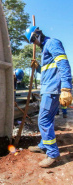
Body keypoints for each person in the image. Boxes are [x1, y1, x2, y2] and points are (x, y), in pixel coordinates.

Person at [24, 26, 72, 167]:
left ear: (37, 34)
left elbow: (63, 64)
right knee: (47, 119)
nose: (34, 43)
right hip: (48, 88)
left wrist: (66, 88)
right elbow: (49, 72)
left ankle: (52, 153)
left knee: (43, 121)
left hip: (52, 89)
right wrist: (38, 68)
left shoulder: (52, 43)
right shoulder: (46, 48)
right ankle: (44, 145)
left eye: (33, 39)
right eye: (31, 41)